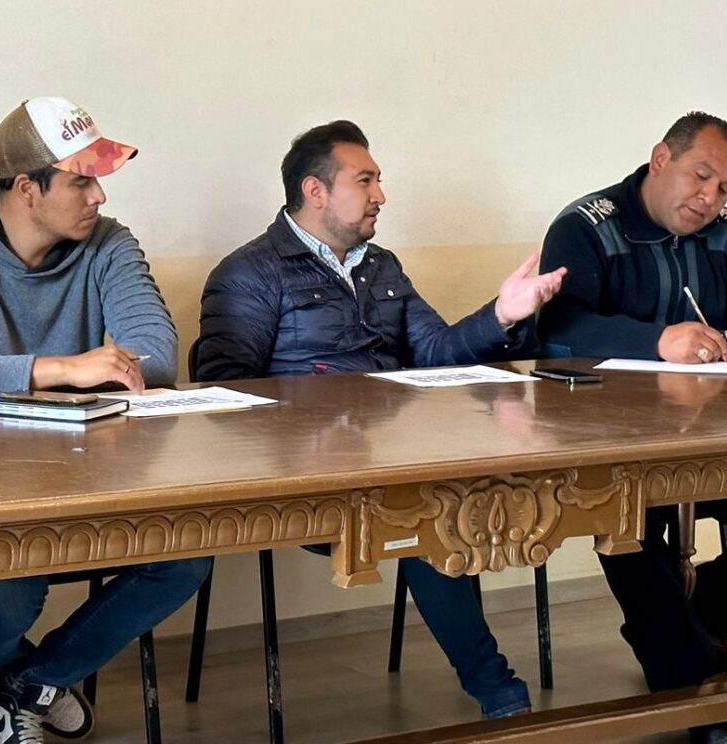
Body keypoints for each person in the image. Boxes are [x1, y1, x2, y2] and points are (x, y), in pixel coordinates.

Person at [194, 120, 567, 718]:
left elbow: (437, 352)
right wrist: (315, 429)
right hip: (306, 478)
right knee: (430, 516)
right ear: (316, 191)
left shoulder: (382, 267)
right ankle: (498, 691)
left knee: (454, 499)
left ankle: (500, 691)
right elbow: (225, 393)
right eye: (365, 181)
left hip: (396, 462)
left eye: (378, 181)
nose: (381, 195)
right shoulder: (250, 272)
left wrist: (501, 315)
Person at [0, 96, 211, 744]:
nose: (99, 197)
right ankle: (28, 683)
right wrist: (64, 369)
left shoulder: (110, 243)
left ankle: (20, 686)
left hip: (96, 470)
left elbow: (155, 357)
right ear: (27, 187)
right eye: (81, 181)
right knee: (9, 587)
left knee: (189, 554)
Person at [536, 111, 727, 744]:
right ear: (660, 159)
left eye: (725, 187)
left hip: (713, 439)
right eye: (700, 177)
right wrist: (658, 342)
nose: (710, 199)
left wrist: (718, 338)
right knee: (630, 524)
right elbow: (559, 329)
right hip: (614, 444)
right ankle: (695, 687)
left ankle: (685, 631)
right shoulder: (586, 226)